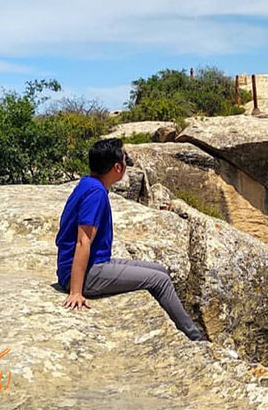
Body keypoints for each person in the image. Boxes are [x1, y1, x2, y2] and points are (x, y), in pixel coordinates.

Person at [55, 138, 204, 341]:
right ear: (117, 167)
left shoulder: (89, 184)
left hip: (94, 264)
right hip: (87, 273)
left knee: (160, 270)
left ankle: (175, 328)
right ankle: (195, 338)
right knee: (159, 281)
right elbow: (83, 242)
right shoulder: (96, 193)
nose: (127, 164)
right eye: (125, 160)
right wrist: (75, 291)